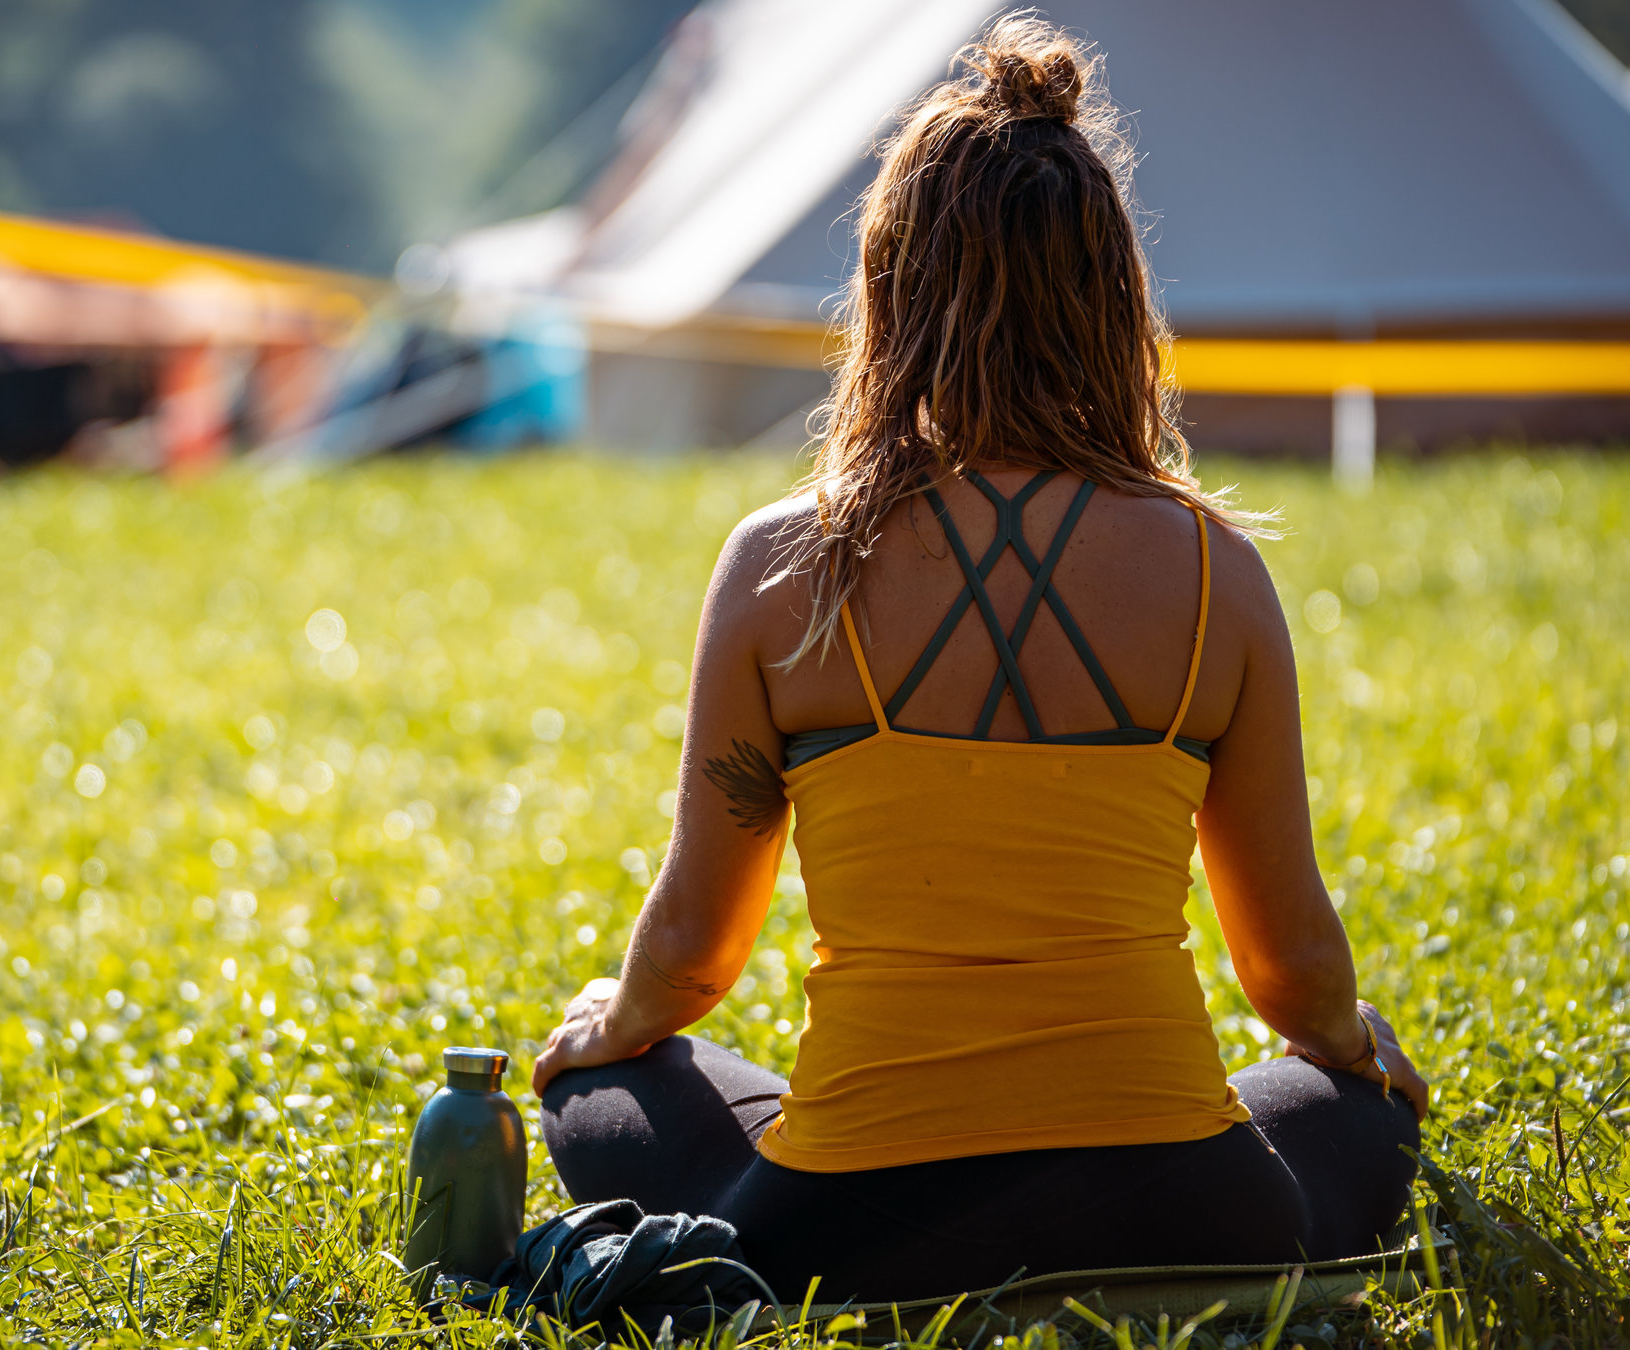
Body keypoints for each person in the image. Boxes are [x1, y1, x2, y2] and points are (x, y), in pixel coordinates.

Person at [529, 18, 1430, 1305]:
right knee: (1351, 1107)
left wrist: (611, 1028)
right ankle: (1135, 1268)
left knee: (610, 1085)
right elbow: (1288, 967)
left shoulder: (787, 562)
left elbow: (690, 955)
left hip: (847, 1229)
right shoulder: (1217, 570)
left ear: (888, 287)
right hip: (1195, 1209)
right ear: (1118, 297)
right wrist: (1352, 1050)